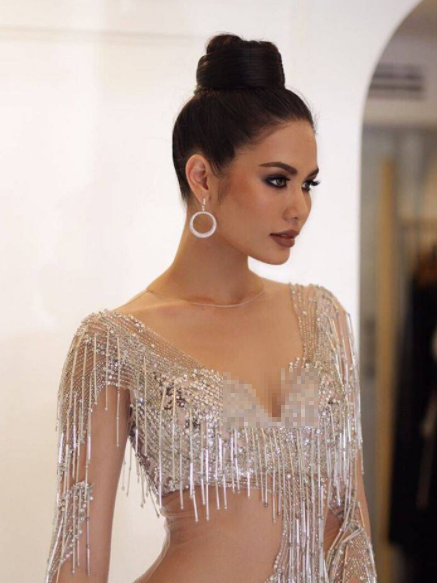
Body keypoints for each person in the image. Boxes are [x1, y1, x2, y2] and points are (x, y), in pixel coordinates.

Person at [43, 33, 377, 583]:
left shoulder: (324, 319)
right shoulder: (112, 342)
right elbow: (75, 564)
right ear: (202, 177)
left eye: (308, 184)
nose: (299, 207)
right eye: (277, 180)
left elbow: (351, 528)